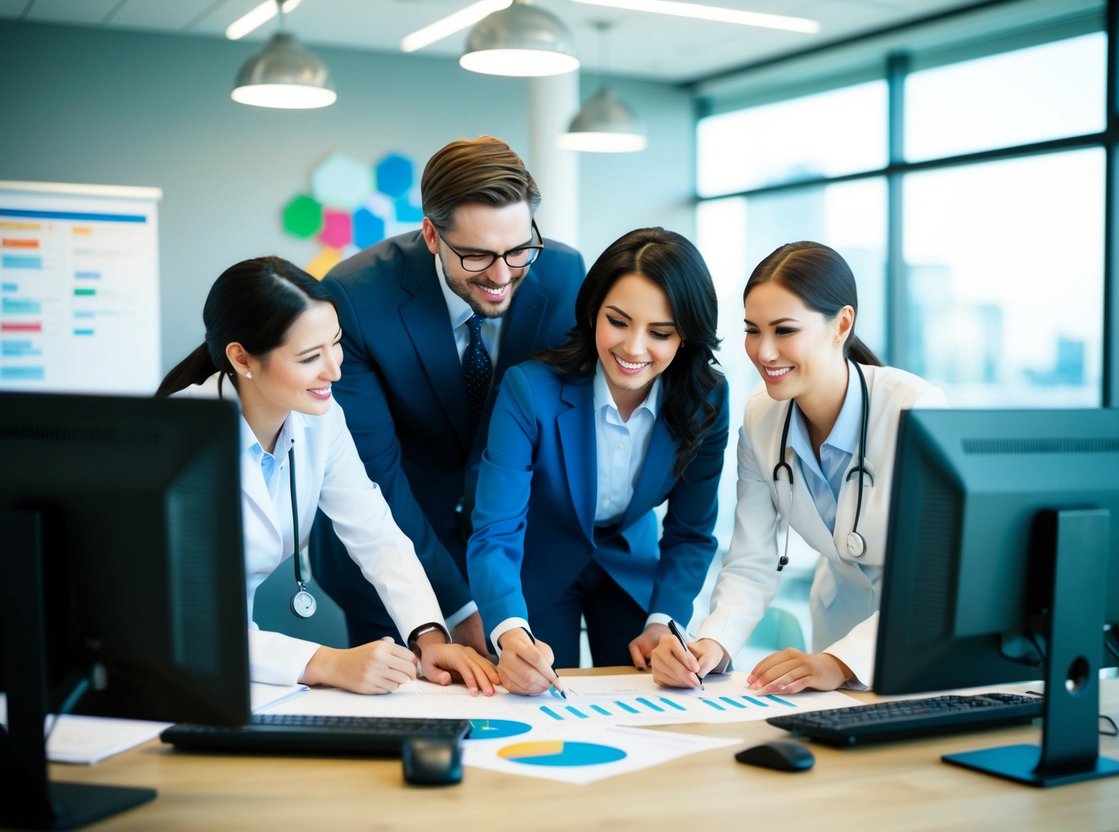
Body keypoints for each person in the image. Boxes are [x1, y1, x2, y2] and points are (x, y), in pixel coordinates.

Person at [157, 257, 499, 695]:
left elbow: (375, 532)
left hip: (234, 662)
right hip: (167, 659)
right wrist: (327, 663)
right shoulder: (180, 439)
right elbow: (185, 620)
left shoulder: (320, 419)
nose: (334, 370)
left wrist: (429, 637)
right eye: (309, 357)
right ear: (242, 357)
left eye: (335, 344)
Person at [309, 136, 585, 656]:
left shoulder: (564, 274)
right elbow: (373, 471)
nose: (503, 276)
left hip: (518, 557)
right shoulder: (357, 295)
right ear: (432, 235)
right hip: (393, 557)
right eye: (478, 255)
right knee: (402, 721)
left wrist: (499, 602)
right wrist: (456, 606)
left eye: (519, 248)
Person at [651, 241, 946, 694]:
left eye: (784, 330)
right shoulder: (762, 415)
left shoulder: (915, 411)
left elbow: (937, 571)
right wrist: (712, 642)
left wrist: (841, 662)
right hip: (835, 637)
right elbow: (752, 559)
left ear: (841, 324)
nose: (764, 352)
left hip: (921, 636)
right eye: (753, 330)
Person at [466, 227, 729, 695]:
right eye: (619, 321)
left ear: (686, 336)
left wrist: (664, 620)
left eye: (660, 333)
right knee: (536, 696)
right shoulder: (530, 388)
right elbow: (496, 528)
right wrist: (508, 631)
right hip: (538, 566)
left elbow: (691, 531)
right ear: (593, 312)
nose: (633, 348)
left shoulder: (706, 399)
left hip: (633, 570)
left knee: (654, 700)